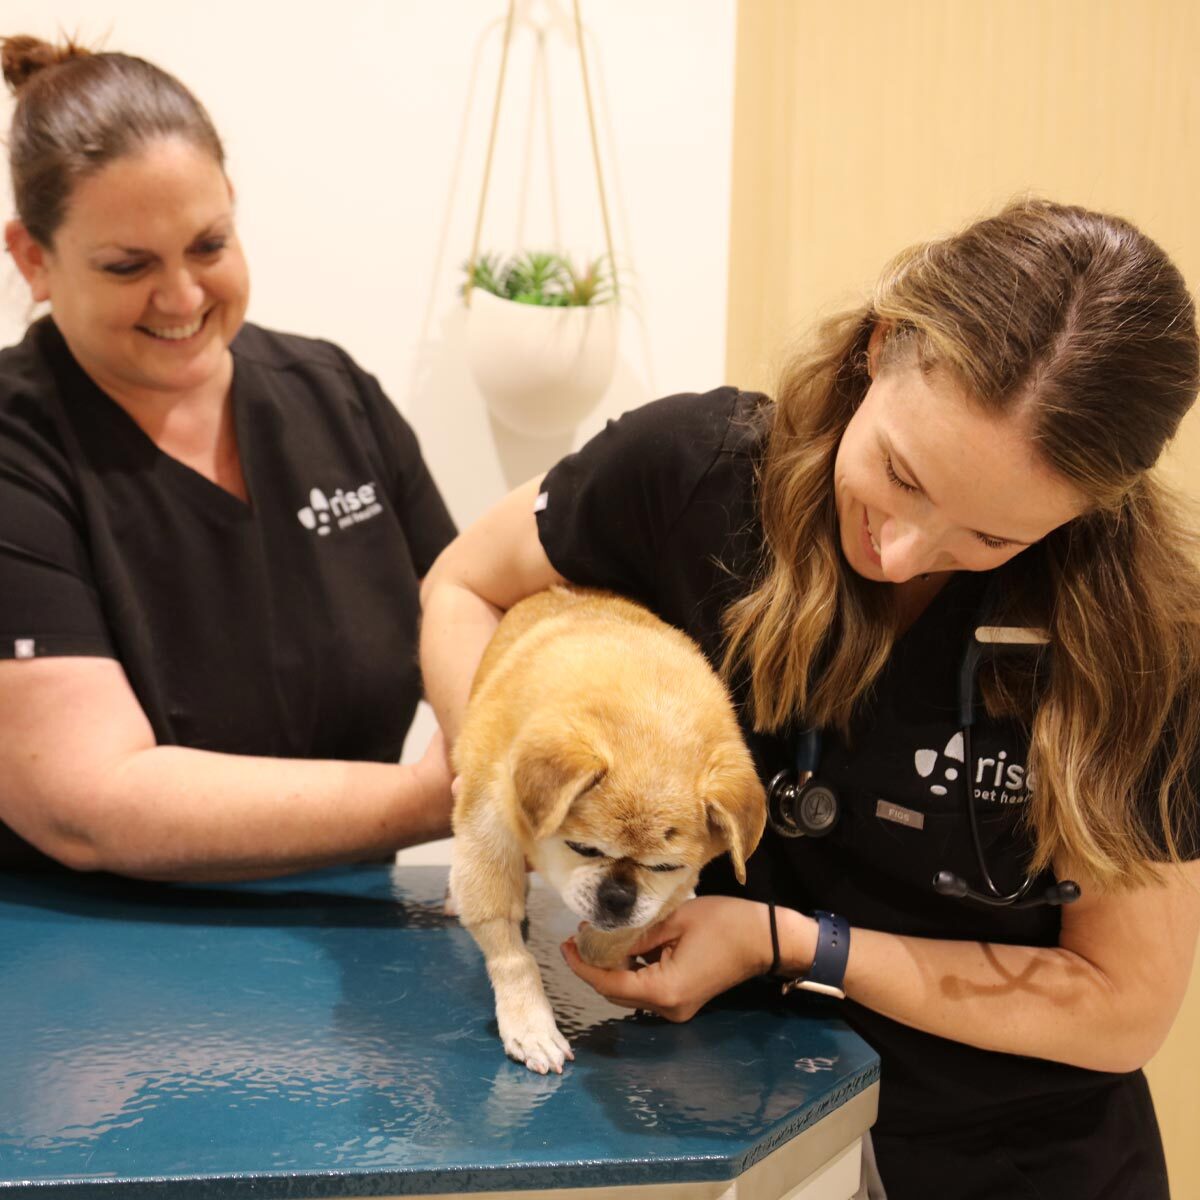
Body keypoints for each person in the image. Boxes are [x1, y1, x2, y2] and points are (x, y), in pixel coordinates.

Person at [420, 199, 1200, 1198]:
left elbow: (1120, 1006)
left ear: (1089, 511)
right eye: (898, 475)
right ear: (880, 347)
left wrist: (787, 943)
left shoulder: (1142, 645)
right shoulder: (693, 471)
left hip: (1014, 1154)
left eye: (993, 540)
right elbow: (464, 587)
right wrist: (495, 795)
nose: (904, 552)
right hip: (732, 1121)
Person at [0, 36, 457, 879]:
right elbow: (89, 803)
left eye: (209, 245)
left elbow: (469, 610)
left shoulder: (336, 396)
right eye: (128, 265)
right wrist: (449, 797)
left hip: (354, 946)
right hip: (84, 968)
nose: (182, 297)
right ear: (34, 258)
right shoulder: (17, 448)